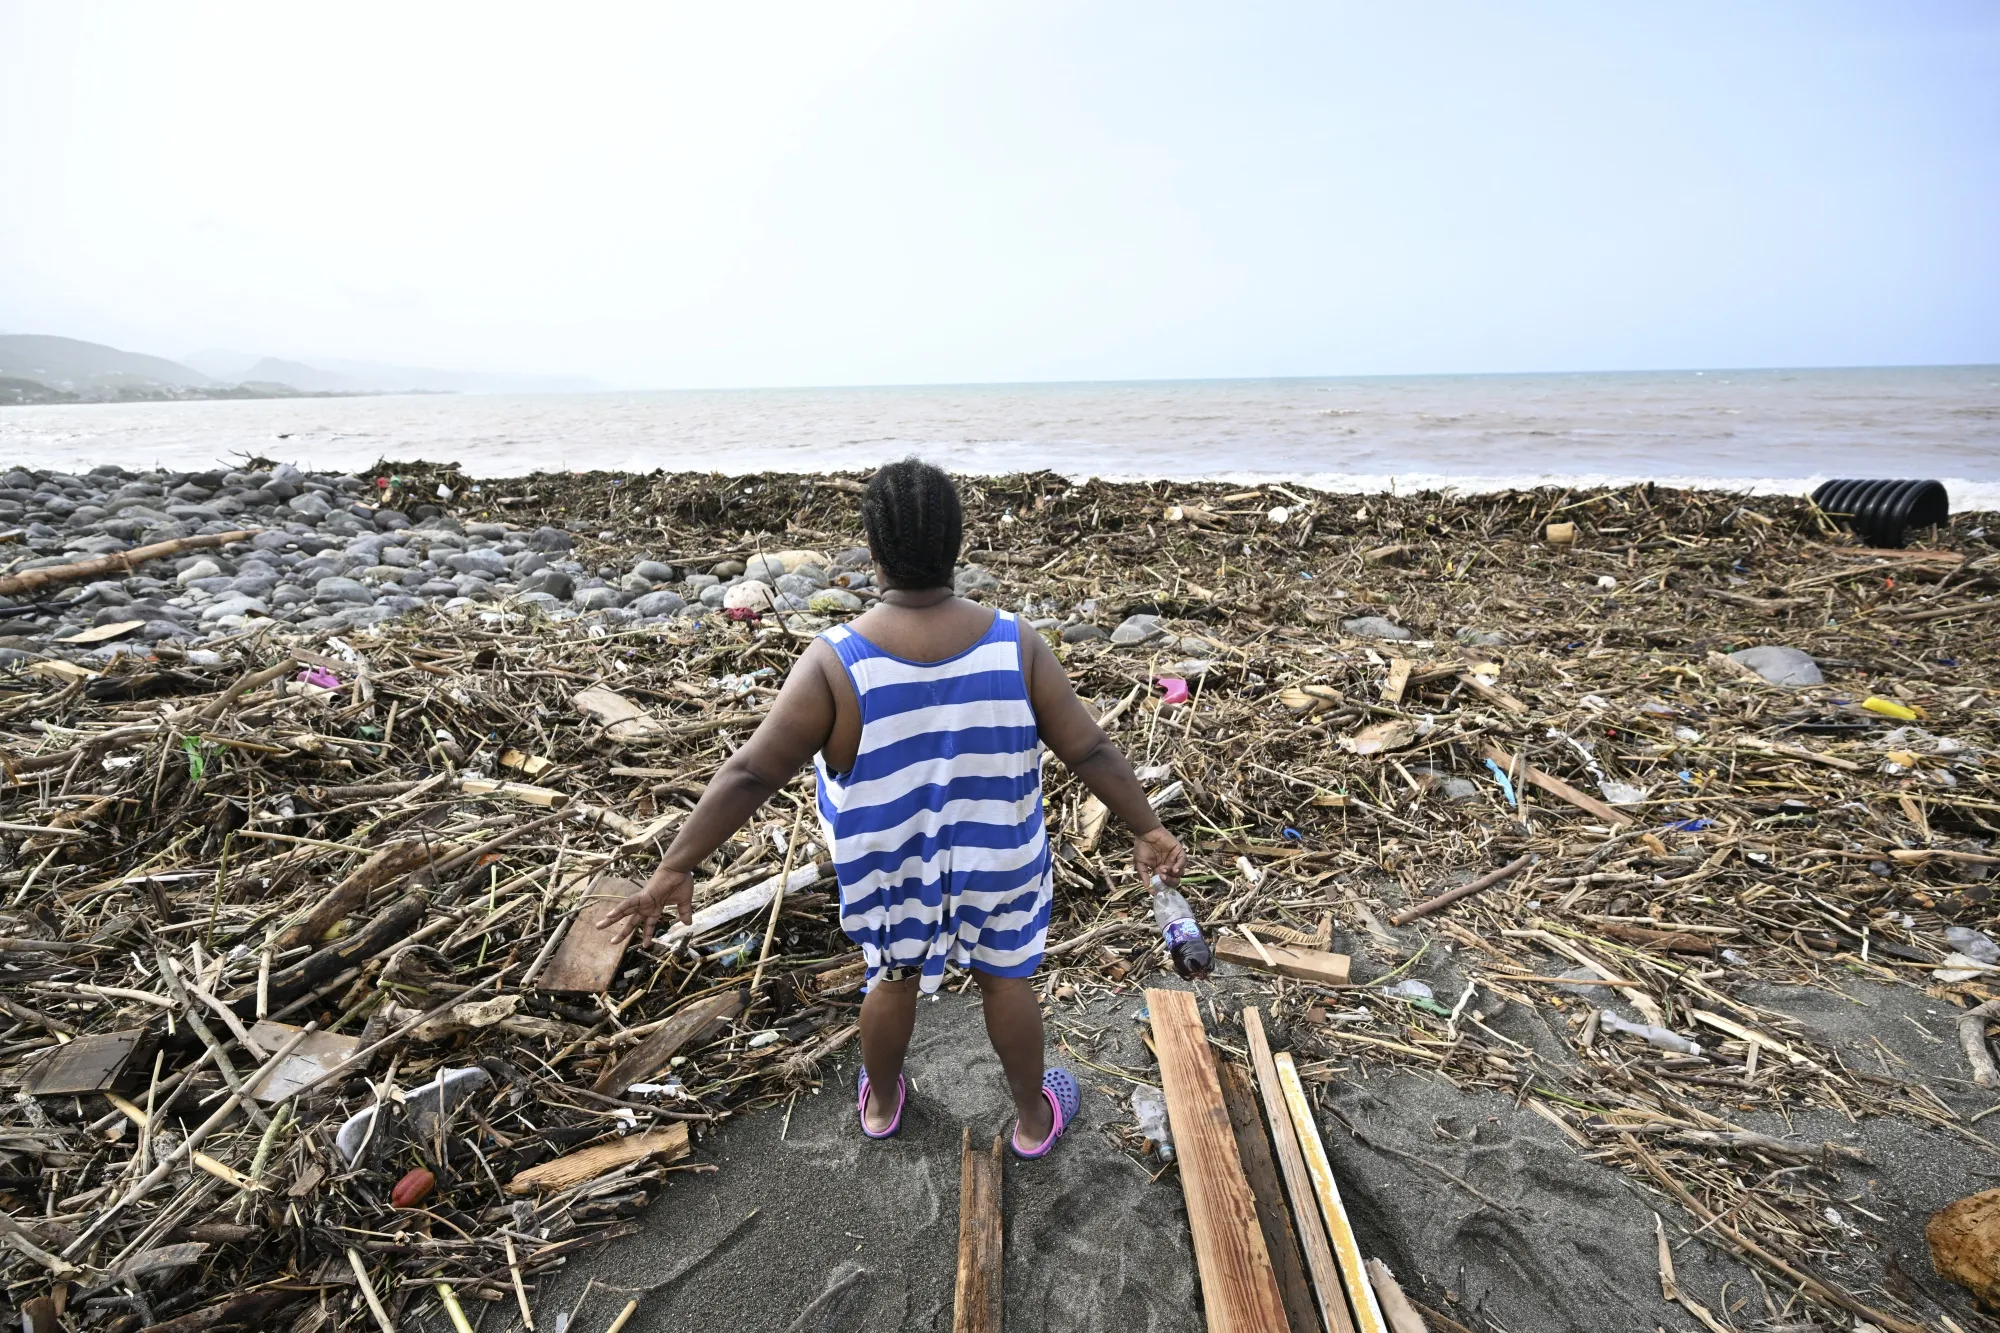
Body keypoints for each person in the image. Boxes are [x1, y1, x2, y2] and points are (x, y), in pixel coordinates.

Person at [603, 459, 1184, 1157]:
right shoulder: (1015, 642)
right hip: (999, 857)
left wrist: (676, 864)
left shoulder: (835, 662)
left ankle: (881, 1102)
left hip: (891, 867)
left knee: (894, 974)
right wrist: (1146, 827)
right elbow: (1088, 749)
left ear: (873, 552)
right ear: (957, 546)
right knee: (1007, 979)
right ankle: (1033, 1118)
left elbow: (753, 770)